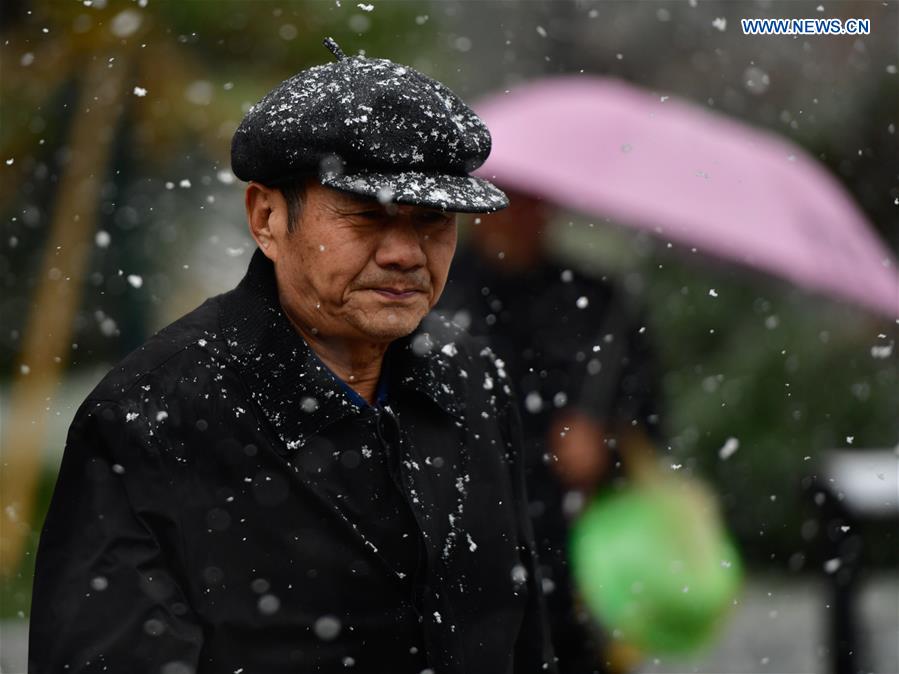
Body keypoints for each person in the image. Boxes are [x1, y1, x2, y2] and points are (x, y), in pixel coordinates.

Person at [29, 39, 556, 674]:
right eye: (366, 217)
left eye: (433, 221)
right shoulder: (152, 415)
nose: (405, 253)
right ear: (267, 218)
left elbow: (520, 632)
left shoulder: (470, 376)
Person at [437, 189, 663, 674]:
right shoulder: (430, 297)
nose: (517, 215)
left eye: (529, 201)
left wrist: (604, 445)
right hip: (458, 552)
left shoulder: (599, 306)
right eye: (502, 199)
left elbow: (649, 421)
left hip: (575, 554)